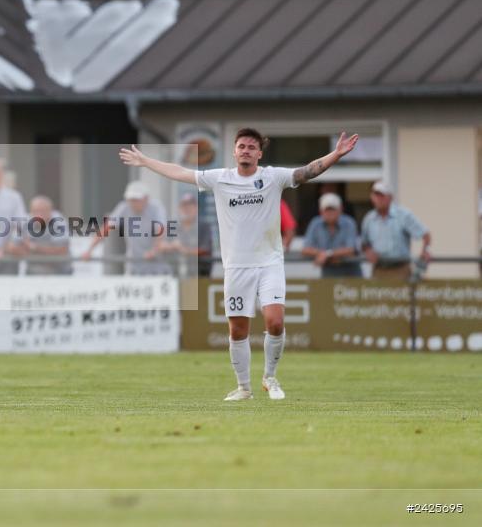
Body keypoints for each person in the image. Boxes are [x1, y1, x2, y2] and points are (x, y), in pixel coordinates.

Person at [120, 128, 359, 401]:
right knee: (237, 330)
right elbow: (179, 172)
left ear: (259, 153)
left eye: (251, 147)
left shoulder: (272, 177)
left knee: (275, 321)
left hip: (269, 263)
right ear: (234, 152)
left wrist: (336, 154)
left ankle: (270, 377)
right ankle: (244, 388)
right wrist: (146, 161)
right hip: (236, 267)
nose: (245, 150)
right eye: (241, 146)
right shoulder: (220, 178)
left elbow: (307, 171)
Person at [81, 181, 171, 275]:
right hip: (133, 264)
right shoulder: (124, 207)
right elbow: (106, 228)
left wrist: (154, 250)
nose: (133, 203)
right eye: (130, 199)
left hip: (156, 265)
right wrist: (89, 250)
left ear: (146, 198)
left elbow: (160, 229)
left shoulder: (156, 207)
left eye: (136, 199)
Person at [361, 181, 431, 280]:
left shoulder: (403, 215)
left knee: (401, 295)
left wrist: (425, 251)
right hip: (378, 270)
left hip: (401, 269)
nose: (378, 199)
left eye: (382, 196)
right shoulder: (369, 219)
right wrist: (368, 251)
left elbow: (425, 235)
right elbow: (364, 243)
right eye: (376, 195)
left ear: (390, 198)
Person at [6, 195, 72, 275]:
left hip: (60, 271)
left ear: (50, 211)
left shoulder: (58, 221)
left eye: (43, 211)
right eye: (35, 211)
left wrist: (33, 247)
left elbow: (62, 250)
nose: (39, 215)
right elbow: (12, 248)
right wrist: (44, 253)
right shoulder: (25, 221)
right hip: (34, 271)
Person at [301, 193, 362, 278]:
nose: (330, 213)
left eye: (333, 209)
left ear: (340, 209)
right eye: (327, 209)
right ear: (321, 211)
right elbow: (305, 249)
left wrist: (327, 254)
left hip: (351, 274)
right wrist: (322, 254)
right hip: (328, 275)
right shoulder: (315, 224)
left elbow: (350, 250)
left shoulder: (349, 223)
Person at [157, 192, 212, 278]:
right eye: (184, 206)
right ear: (179, 208)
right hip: (174, 275)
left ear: (196, 208)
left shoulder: (203, 226)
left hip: (199, 275)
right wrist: (171, 246)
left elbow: (205, 249)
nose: (187, 209)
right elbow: (160, 245)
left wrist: (185, 250)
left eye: (190, 206)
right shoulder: (172, 226)